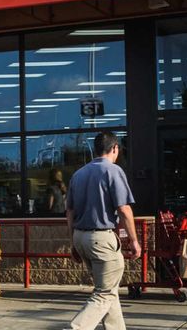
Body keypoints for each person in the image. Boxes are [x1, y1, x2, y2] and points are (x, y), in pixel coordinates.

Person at [65, 132, 141, 330]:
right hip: (101, 238)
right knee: (104, 293)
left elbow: (70, 211)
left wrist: (73, 241)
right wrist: (134, 240)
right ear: (114, 148)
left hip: (81, 237)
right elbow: (123, 209)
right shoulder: (113, 171)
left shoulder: (78, 174)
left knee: (109, 291)